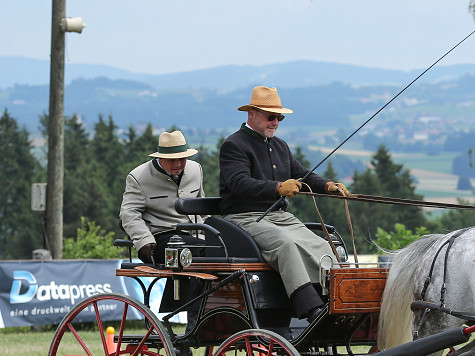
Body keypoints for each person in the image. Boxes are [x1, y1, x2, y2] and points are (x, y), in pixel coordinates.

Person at [219, 85, 349, 322]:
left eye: (279, 117)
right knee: (287, 245)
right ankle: (311, 309)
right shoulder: (234, 145)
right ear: (252, 114)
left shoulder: (280, 146)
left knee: (322, 245)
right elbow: (238, 183)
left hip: (279, 217)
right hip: (244, 218)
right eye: (271, 117)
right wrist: (278, 187)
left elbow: (302, 174)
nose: (276, 122)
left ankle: (339, 300)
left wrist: (328, 186)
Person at [120, 130, 206, 264]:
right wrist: (144, 240)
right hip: (159, 238)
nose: (178, 165)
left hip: (195, 236)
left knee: (221, 249)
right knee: (191, 252)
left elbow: (202, 208)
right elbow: (128, 213)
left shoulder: (196, 169)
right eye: (172, 160)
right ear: (160, 158)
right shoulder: (138, 177)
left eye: (182, 159)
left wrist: (213, 233)